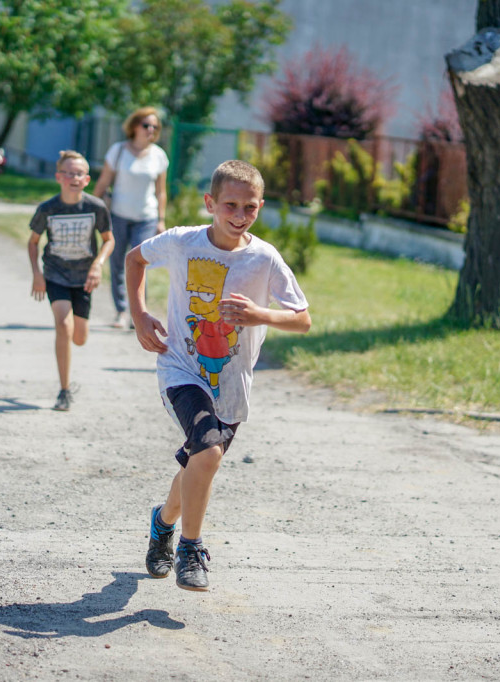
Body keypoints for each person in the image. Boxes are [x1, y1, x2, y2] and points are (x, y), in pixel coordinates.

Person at [124, 160, 311, 592]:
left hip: (231, 387)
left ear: (260, 207)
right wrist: (139, 316)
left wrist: (258, 314)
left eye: (250, 207)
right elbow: (135, 261)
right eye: (230, 204)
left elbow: (302, 320)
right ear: (210, 203)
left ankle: (163, 522)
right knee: (207, 453)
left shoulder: (264, 258)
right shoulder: (182, 242)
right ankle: (190, 548)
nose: (240, 215)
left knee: (198, 463)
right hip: (181, 369)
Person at [28, 150, 114, 411]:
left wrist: (97, 266)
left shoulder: (95, 207)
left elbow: (109, 240)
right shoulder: (47, 209)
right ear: (59, 177)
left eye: (79, 173)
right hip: (55, 274)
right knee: (63, 327)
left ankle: (66, 386)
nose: (74, 177)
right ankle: (64, 390)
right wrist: (37, 274)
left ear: (87, 179)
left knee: (79, 338)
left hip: (84, 278)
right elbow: (33, 242)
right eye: (69, 173)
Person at [92, 106, 169, 329]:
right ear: (134, 126)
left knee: (140, 263)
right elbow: (104, 182)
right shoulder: (118, 151)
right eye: (146, 125)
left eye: (155, 126)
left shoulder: (159, 156)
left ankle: (139, 313)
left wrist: (161, 219)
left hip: (146, 217)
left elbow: (161, 191)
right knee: (117, 262)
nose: (151, 130)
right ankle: (121, 312)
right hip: (118, 215)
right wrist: (92, 209)